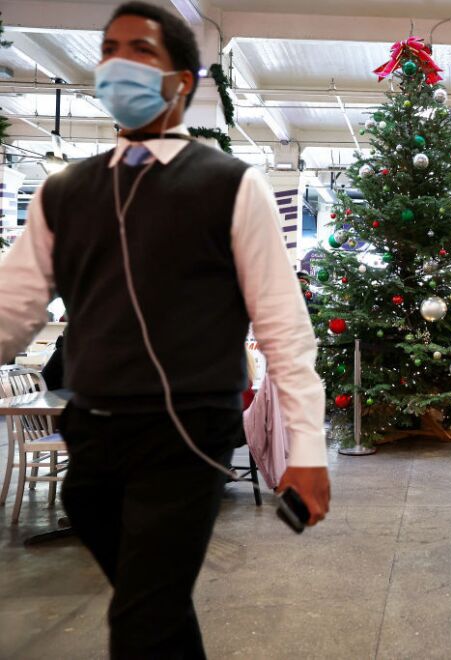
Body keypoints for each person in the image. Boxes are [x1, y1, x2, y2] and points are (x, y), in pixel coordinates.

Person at [0, 3, 330, 656]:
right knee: (153, 608)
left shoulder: (233, 186)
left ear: (182, 80)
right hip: (90, 436)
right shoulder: (63, 192)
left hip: (186, 433)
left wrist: (308, 451)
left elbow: (284, 329)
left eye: (140, 50)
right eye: (109, 47)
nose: (118, 62)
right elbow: (13, 308)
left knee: (140, 622)